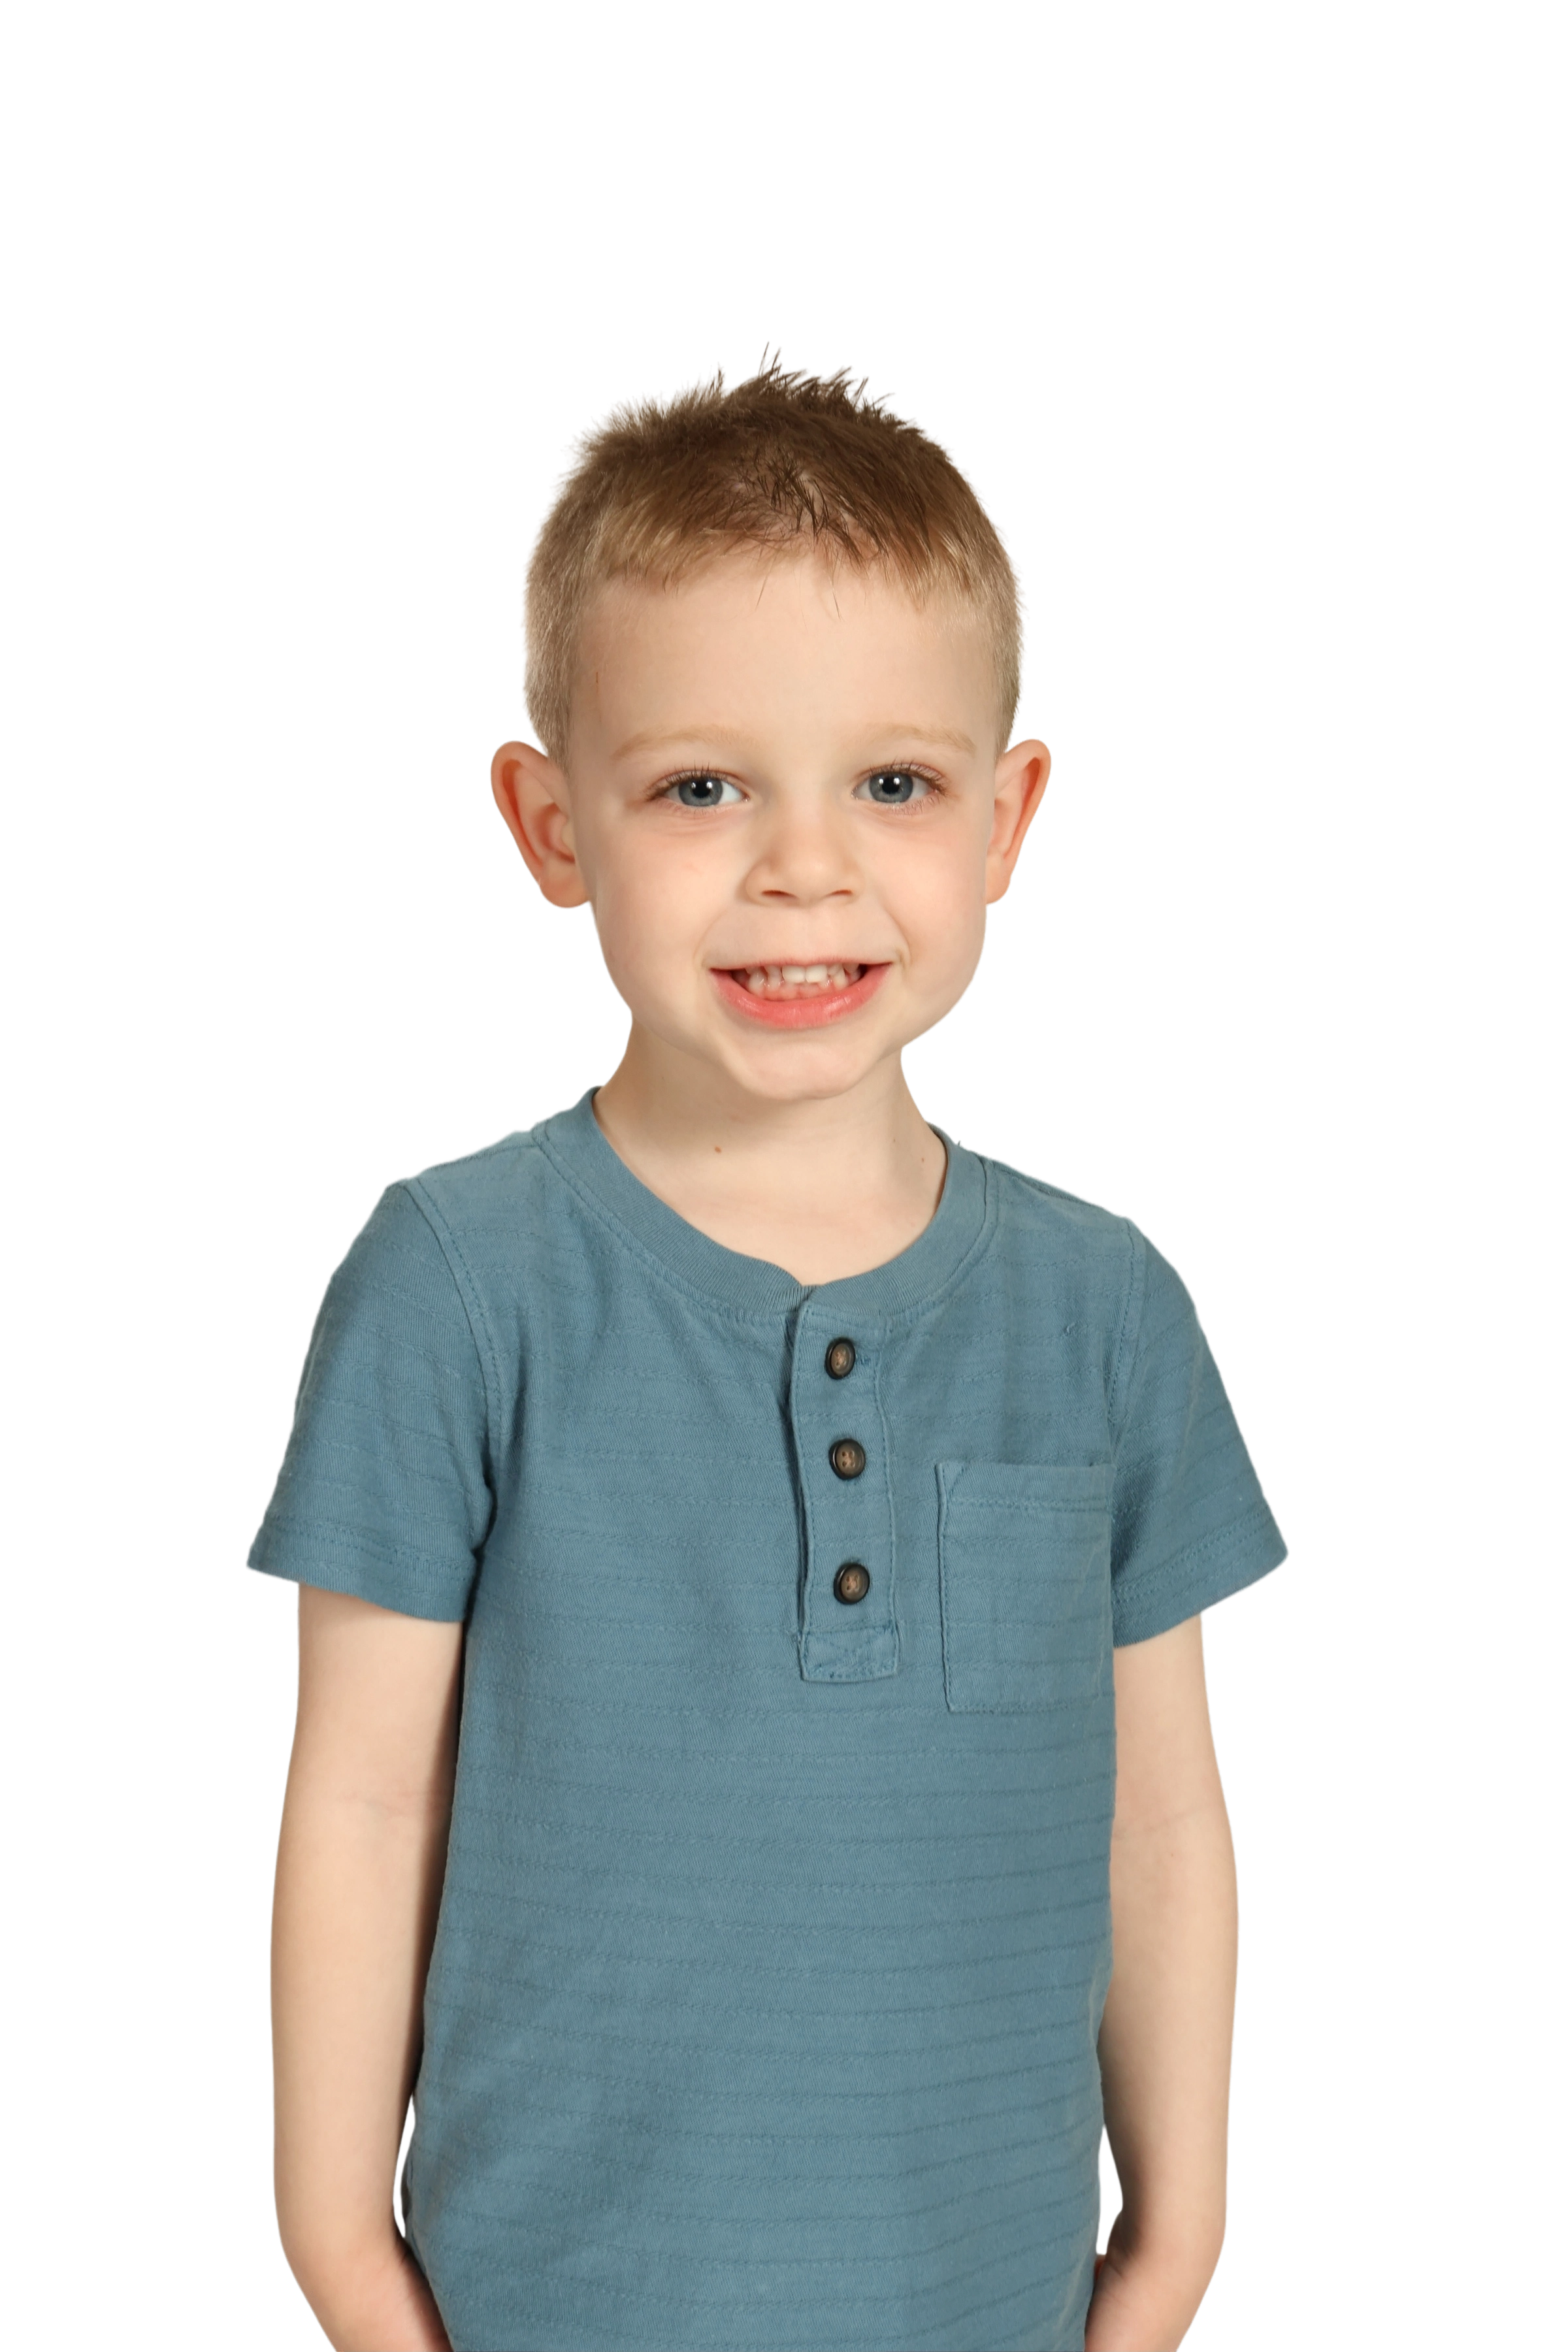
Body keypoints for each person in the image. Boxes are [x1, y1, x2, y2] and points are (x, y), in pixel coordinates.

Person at [248, 346, 1290, 2352]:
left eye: (892, 783)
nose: (805, 867)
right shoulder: (455, 1280)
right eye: (701, 785)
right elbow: (363, 1809)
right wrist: (345, 2267)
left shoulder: (1104, 1307)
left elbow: (1164, 1819)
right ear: (551, 822)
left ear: (1010, 818)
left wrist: (1175, 2248)